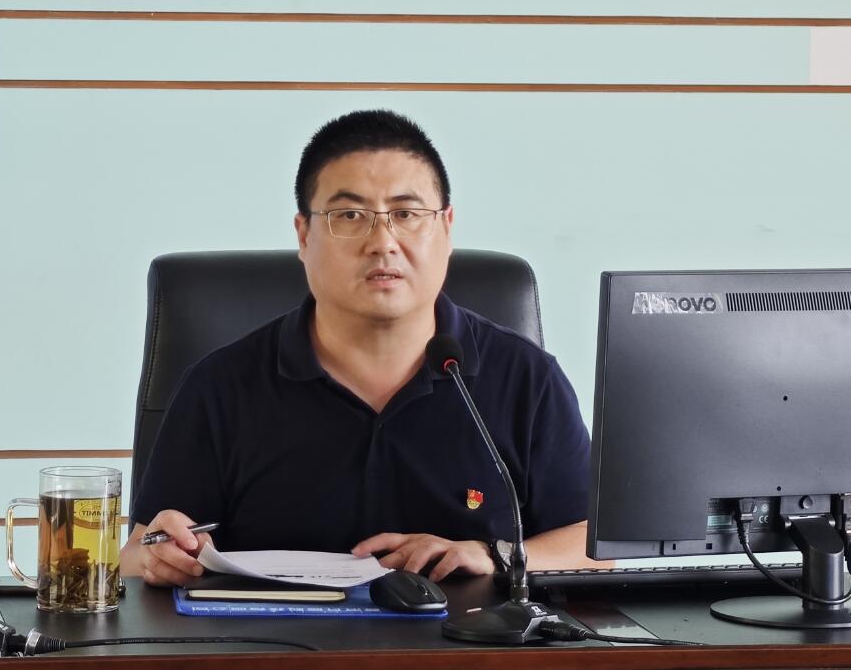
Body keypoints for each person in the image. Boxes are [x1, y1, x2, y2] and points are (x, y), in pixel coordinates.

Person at [121, 110, 599, 587]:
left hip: (472, 637)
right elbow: (137, 555)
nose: (383, 242)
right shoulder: (220, 387)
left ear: (447, 227)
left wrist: (495, 554)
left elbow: (592, 547)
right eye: (349, 216)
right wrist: (157, 556)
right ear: (303, 235)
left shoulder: (526, 379)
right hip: (272, 636)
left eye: (406, 214)